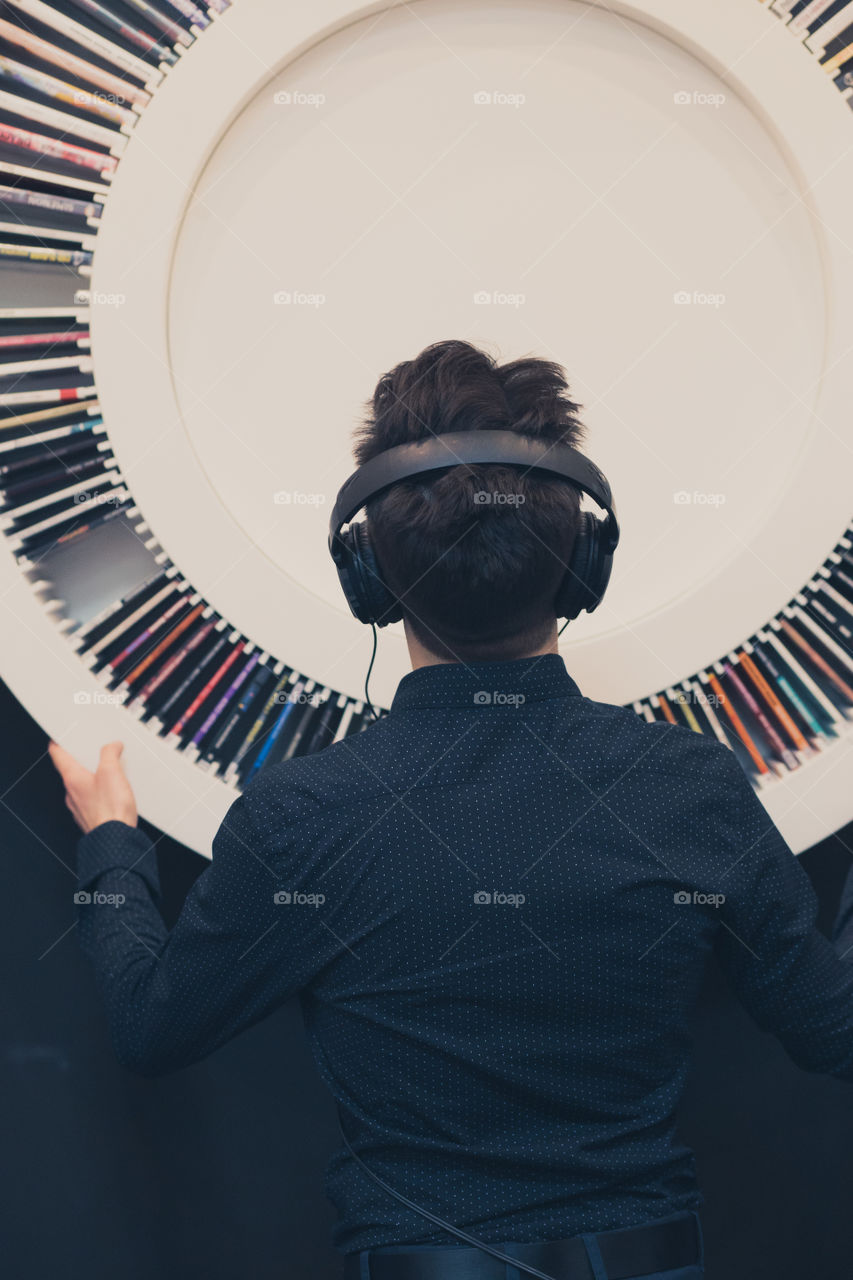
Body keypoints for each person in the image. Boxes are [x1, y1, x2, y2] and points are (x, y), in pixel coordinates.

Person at [50, 340, 853, 1280]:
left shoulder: (303, 816)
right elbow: (832, 1033)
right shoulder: (691, 792)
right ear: (581, 567)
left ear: (372, 582)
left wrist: (111, 847)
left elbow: (153, 1029)